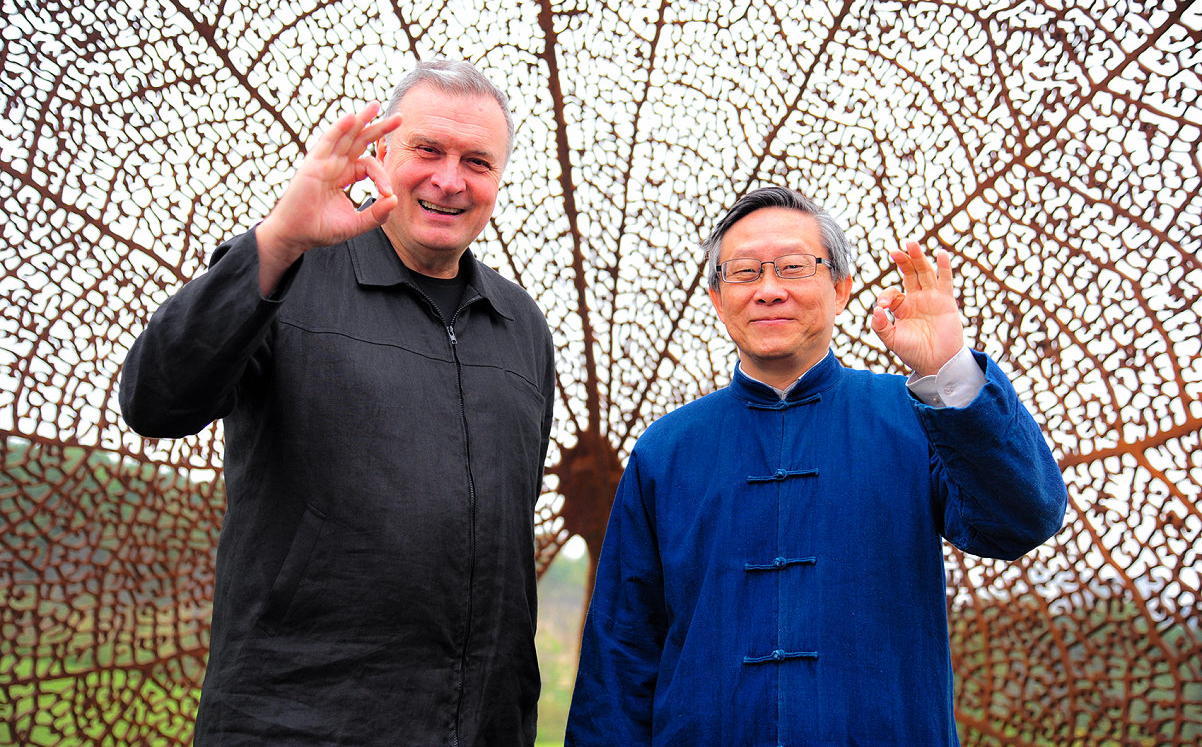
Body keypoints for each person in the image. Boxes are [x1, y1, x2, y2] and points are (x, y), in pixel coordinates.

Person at [120, 60, 556, 746]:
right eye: (428, 151)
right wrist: (279, 239)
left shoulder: (520, 325)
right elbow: (156, 401)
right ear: (382, 153)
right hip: (296, 722)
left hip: (480, 727)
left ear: (498, 180)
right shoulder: (286, 274)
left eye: (477, 161)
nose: (450, 180)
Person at [565, 186, 1066, 746]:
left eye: (794, 268)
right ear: (716, 297)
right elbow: (621, 655)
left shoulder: (916, 416)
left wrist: (949, 370)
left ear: (841, 288)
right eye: (746, 272)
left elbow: (1023, 518)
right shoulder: (665, 449)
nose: (769, 290)